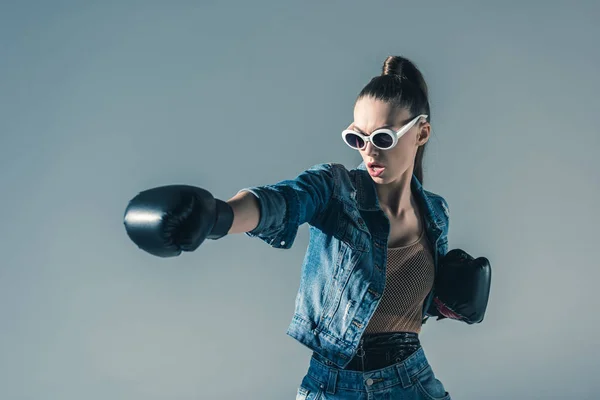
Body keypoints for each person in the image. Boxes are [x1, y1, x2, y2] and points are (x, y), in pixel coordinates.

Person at [123, 55, 491, 400]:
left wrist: (447, 304)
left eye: (382, 138)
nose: (368, 152)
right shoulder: (334, 189)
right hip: (334, 386)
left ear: (421, 133)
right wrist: (218, 216)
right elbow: (280, 202)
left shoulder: (436, 214)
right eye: (357, 138)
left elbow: (406, 303)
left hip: (411, 381)